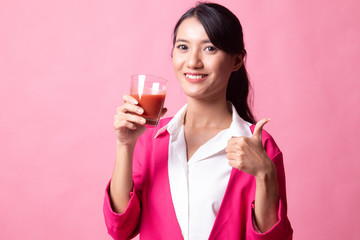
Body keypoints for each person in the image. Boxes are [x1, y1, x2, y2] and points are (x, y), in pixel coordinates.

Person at [103, 2, 293, 240]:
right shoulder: (150, 137)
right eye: (183, 47)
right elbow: (121, 229)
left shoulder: (258, 145)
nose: (193, 61)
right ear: (172, 55)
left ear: (236, 61)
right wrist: (125, 145)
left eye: (209, 48)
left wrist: (265, 174)